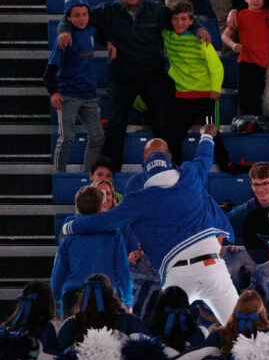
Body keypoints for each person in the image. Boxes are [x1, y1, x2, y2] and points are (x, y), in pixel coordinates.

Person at [61, 128, 239, 324]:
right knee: (243, 331)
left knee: (167, 343)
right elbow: (204, 156)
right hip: (211, 266)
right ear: (169, 161)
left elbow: (102, 220)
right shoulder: (190, 175)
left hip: (177, 276)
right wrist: (206, 135)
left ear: (145, 166)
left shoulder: (139, 198)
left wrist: (70, 227)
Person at [55, 0, 210, 171]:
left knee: (164, 122)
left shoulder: (156, 9)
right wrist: (64, 30)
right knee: (115, 124)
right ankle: (110, 172)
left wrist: (198, 27)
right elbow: (73, 15)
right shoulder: (107, 11)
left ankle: (173, 168)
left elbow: (181, 16)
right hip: (122, 75)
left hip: (152, 74)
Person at [162, 1, 230, 171]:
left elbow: (216, 66)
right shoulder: (167, 36)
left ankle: (226, 166)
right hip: (182, 97)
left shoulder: (201, 40)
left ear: (192, 21)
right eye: (176, 19)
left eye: (184, 19)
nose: (179, 23)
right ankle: (176, 169)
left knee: (212, 134)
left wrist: (215, 87)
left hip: (205, 97)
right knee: (174, 137)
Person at [45, 0, 104, 173]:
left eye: (84, 14)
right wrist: (54, 92)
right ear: (68, 18)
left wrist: (109, 42)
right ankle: (59, 175)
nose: (82, 18)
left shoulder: (92, 30)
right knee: (67, 138)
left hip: (89, 95)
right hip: (68, 95)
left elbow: (103, 32)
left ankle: (89, 175)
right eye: (76, 15)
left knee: (97, 137)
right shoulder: (63, 40)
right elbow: (49, 72)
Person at [52, 185, 132, 315]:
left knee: (73, 335)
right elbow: (123, 270)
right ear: (102, 206)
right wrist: (128, 301)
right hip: (105, 296)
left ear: (78, 207)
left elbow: (58, 274)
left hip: (73, 297)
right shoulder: (113, 235)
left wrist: (56, 301)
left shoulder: (69, 237)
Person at [221, 0, 269, 117]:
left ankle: (258, 123)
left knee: (259, 95)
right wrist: (233, 45)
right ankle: (245, 122)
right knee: (245, 95)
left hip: (265, 63)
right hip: (246, 61)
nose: (256, 0)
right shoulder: (241, 15)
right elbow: (225, 36)